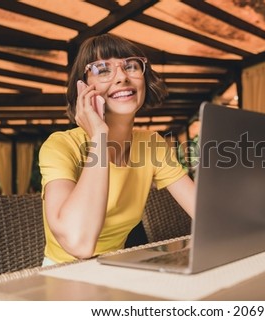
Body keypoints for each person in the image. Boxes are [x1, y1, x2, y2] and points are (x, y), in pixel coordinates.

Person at [39, 34, 195, 266]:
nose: (122, 77)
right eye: (102, 70)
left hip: (118, 267)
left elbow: (207, 216)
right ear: (83, 88)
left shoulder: (152, 144)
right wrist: (99, 136)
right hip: (64, 274)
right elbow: (78, 244)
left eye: (130, 66)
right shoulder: (60, 146)